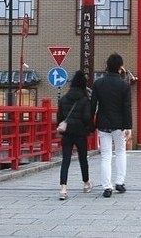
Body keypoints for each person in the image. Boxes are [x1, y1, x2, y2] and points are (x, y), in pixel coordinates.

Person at [91, 53, 132, 198]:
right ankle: (120, 182)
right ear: (120, 67)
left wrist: (91, 123)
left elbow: (93, 105)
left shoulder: (98, 83)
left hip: (103, 123)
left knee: (106, 155)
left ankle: (107, 187)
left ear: (107, 66)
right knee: (120, 152)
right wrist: (128, 127)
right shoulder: (124, 85)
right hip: (119, 124)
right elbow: (127, 107)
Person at [57, 70, 93, 200]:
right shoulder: (84, 99)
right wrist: (89, 128)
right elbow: (87, 117)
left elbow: (59, 118)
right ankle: (86, 183)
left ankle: (63, 188)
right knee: (83, 159)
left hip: (67, 133)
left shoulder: (64, 99)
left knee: (65, 160)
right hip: (80, 133)